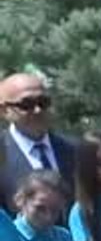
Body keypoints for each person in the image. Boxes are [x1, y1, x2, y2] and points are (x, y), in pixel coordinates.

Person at [1, 73, 77, 211]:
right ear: (4, 111)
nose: (37, 110)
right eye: (27, 104)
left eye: (43, 102)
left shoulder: (75, 150)